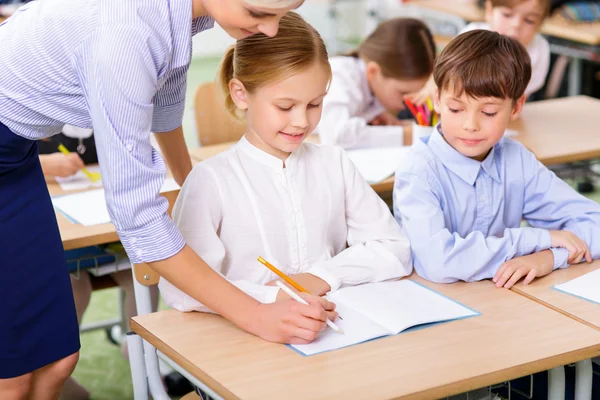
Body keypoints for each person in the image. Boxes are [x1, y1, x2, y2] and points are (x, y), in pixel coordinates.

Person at [0, 0, 333, 397]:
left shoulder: (180, 12)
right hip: (11, 149)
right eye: (259, 13)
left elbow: (165, 106)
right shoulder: (124, 35)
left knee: (57, 360)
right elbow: (136, 218)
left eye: (281, 13)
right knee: (14, 375)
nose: (272, 30)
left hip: (15, 158)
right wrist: (257, 315)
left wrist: (200, 189)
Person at [159, 12, 413, 313]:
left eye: (315, 104)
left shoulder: (334, 163)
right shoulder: (209, 181)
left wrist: (318, 278)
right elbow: (182, 289)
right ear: (241, 94)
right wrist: (268, 298)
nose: (302, 121)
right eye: (285, 106)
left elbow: (394, 248)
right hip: (244, 340)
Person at [393, 29, 600, 288]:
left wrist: (549, 257)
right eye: (456, 109)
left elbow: (596, 223)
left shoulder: (516, 161)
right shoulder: (419, 170)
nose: (470, 125)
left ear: (516, 107)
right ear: (437, 100)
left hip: (500, 299)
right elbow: (439, 263)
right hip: (433, 302)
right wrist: (537, 239)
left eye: (489, 112)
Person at [314, 18, 436, 149]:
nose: (409, 102)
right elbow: (336, 135)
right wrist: (407, 135)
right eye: (403, 93)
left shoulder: (372, 87)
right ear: (373, 71)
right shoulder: (340, 74)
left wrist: (370, 116)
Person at [408, 0, 551, 105]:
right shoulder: (472, 35)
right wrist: (431, 88)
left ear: (540, 24)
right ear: (489, 11)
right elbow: (445, 70)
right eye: (507, 15)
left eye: (530, 20)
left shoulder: (539, 50)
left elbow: (526, 91)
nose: (516, 25)